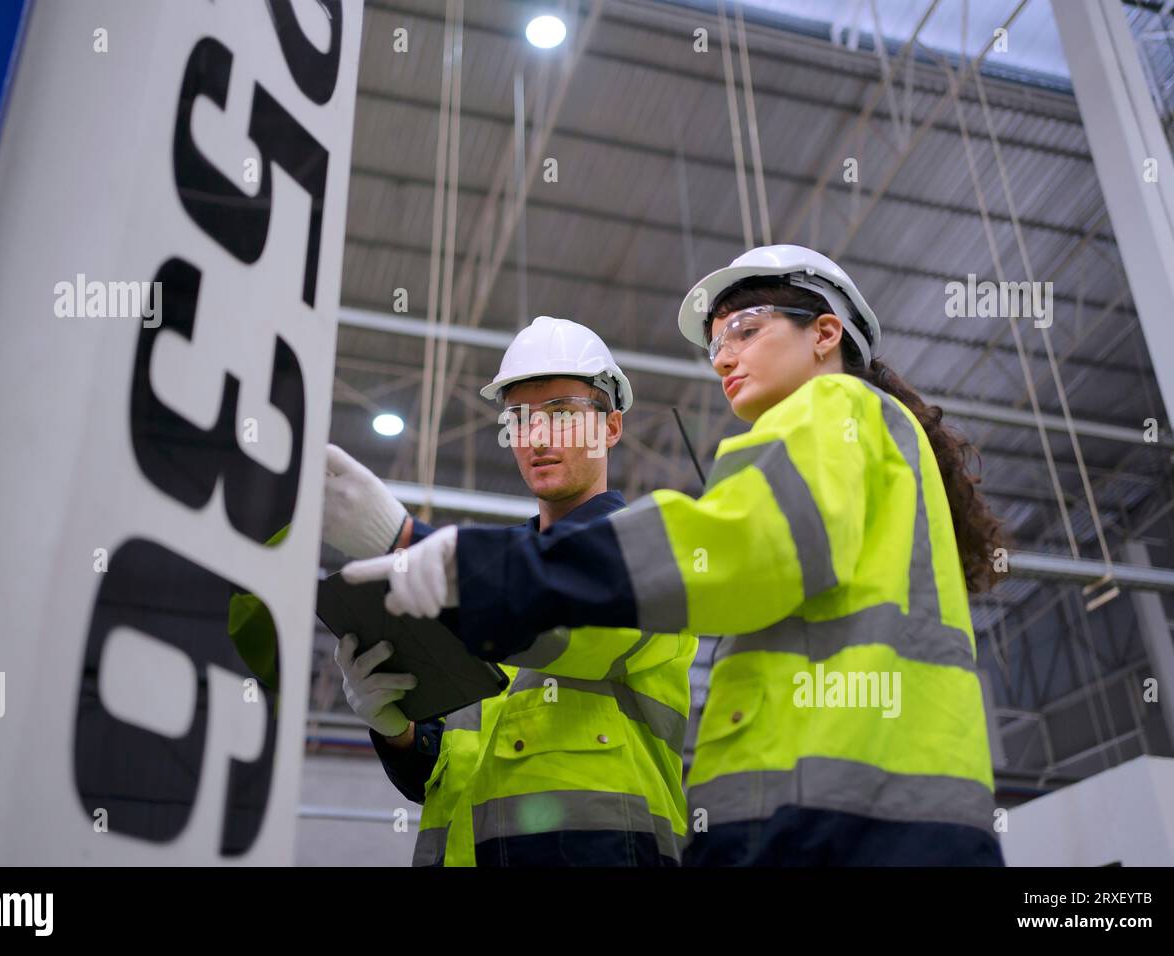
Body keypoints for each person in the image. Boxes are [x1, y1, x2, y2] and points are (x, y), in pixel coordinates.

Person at [344, 246, 1008, 866]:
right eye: (718, 342)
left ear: (825, 334)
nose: (723, 357)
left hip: (842, 817)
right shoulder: (860, 456)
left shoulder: (836, 411)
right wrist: (398, 728)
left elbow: (734, 549)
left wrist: (433, 553)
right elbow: (456, 760)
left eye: (745, 330)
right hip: (839, 807)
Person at [327, 316, 698, 866]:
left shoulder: (651, 545)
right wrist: (397, 728)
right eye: (520, 418)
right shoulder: (485, 576)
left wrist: (405, 540)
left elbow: (563, 617)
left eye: (563, 414)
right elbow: (440, 772)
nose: (538, 437)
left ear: (612, 427)